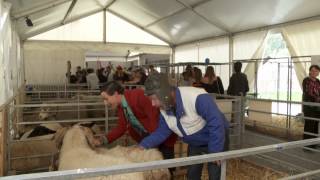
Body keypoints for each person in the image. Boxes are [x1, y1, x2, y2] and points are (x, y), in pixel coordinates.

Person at [138, 73, 229, 180]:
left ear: (164, 93)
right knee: (192, 175)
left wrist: (215, 150)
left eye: (154, 99)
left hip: (215, 137)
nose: (153, 104)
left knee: (214, 174)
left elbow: (216, 121)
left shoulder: (196, 97)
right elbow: (162, 132)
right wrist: (143, 145)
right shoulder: (164, 109)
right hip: (195, 143)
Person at [93, 81, 177, 162]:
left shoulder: (139, 96)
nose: (105, 103)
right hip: (147, 140)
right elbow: (121, 128)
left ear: (115, 94)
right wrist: (102, 140)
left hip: (161, 139)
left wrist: (149, 144)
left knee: (165, 167)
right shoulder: (121, 107)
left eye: (106, 99)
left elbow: (154, 119)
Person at [302, 64, 320, 149]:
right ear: (309, 71)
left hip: (317, 107)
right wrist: (317, 98)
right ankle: (307, 145)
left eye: (316, 71)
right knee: (309, 124)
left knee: (315, 124)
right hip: (309, 106)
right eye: (312, 70)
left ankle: (313, 144)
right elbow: (307, 93)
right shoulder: (306, 80)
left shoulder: (318, 81)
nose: (314, 72)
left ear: (318, 72)